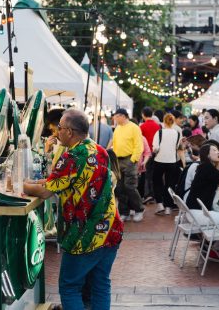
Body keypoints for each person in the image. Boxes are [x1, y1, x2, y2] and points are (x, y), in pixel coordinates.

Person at [24, 109, 123, 310]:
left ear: (69, 131)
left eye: (59, 128)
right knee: (100, 285)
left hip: (84, 233)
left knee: (70, 287)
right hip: (110, 228)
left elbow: (45, 192)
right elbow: (61, 181)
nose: (57, 132)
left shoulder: (72, 155)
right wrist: (39, 181)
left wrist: (22, 185)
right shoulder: (100, 150)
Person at [112, 108, 144, 222]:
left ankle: (139, 209)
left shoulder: (134, 128)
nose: (115, 119)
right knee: (119, 188)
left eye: (116, 116)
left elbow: (139, 146)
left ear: (123, 116)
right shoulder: (117, 128)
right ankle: (124, 212)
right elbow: (115, 143)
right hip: (118, 160)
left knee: (130, 186)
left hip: (129, 159)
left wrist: (133, 160)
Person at [152, 113, 181, 215]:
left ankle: (160, 204)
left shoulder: (159, 132)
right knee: (170, 184)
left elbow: (155, 148)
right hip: (172, 161)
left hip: (159, 160)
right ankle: (168, 207)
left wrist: (156, 149)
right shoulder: (177, 133)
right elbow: (177, 147)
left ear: (163, 121)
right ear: (173, 122)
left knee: (157, 182)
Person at [139, 107, 160, 203]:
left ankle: (147, 195)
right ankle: (154, 194)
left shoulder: (142, 126)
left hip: (146, 154)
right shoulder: (158, 126)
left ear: (143, 114)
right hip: (157, 153)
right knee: (155, 174)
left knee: (147, 174)